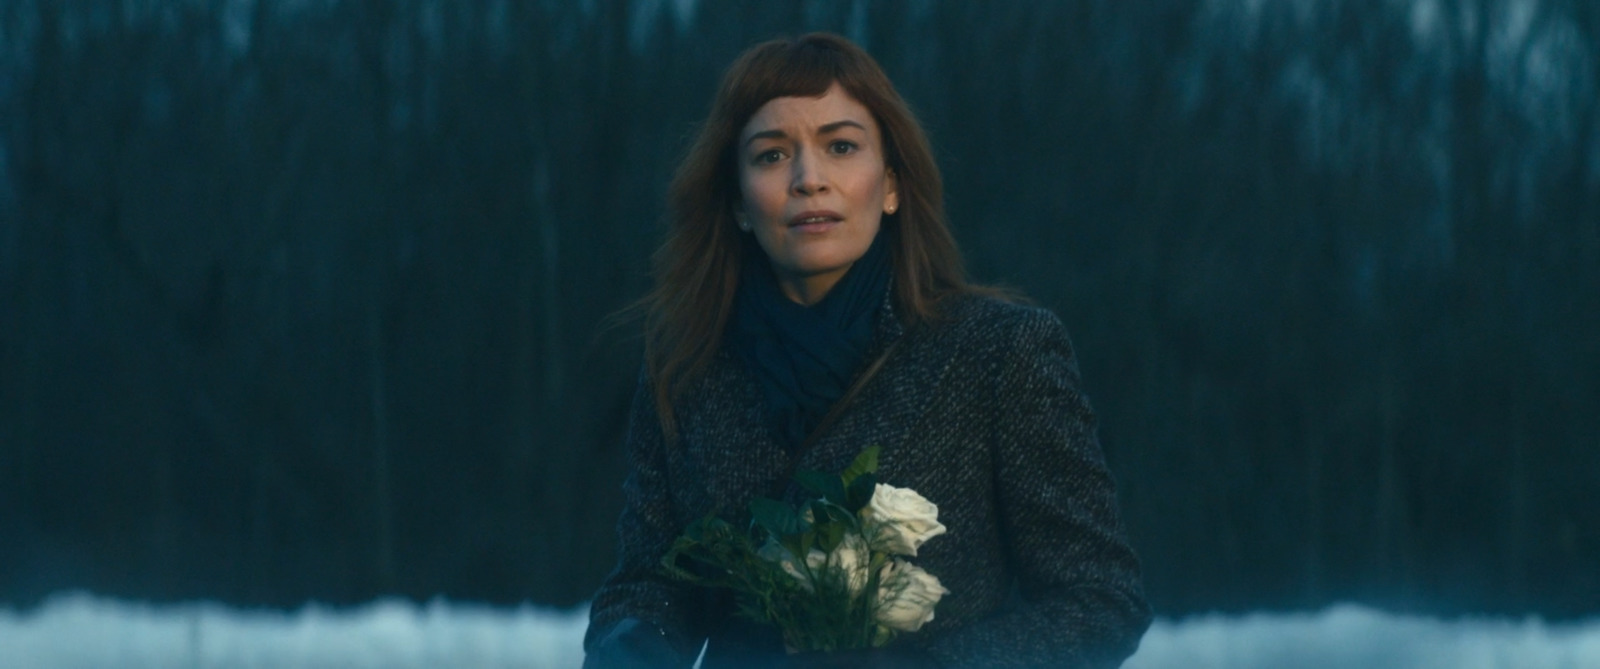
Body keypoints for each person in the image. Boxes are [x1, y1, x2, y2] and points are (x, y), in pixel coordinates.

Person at [584, 33, 1150, 668]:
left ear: (890, 185)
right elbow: (650, 582)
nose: (808, 179)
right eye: (771, 156)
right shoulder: (685, 365)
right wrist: (632, 648)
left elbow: (1099, 598)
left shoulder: (998, 351)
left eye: (841, 146)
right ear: (739, 203)